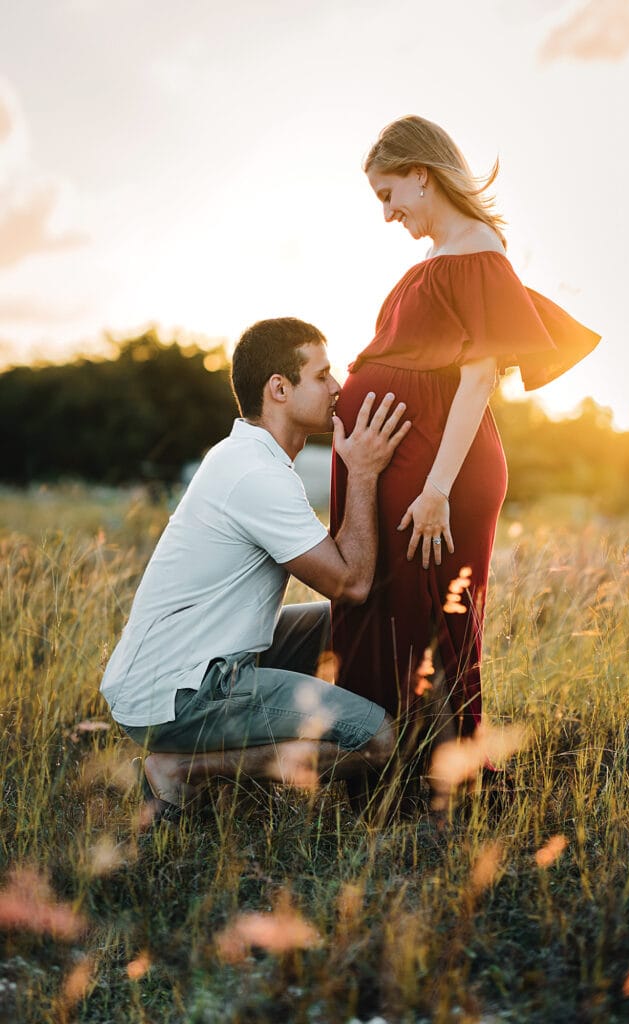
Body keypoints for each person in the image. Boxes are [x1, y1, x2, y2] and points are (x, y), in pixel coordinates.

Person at [331, 116, 600, 804]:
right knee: (393, 602)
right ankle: (389, 761)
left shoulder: (477, 247)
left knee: (431, 612)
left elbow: (479, 378)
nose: (387, 214)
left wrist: (435, 489)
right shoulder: (443, 254)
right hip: (408, 457)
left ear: (422, 173)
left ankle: (437, 774)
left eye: (389, 194)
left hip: (436, 468)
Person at [100, 317, 411, 820]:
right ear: (279, 388)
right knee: (376, 741)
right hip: (184, 694)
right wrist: (364, 471)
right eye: (323, 375)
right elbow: (350, 581)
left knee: (338, 623)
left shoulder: (248, 456)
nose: (337, 388)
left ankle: (226, 754)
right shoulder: (254, 474)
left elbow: (342, 590)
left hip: (191, 665)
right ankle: (182, 769)